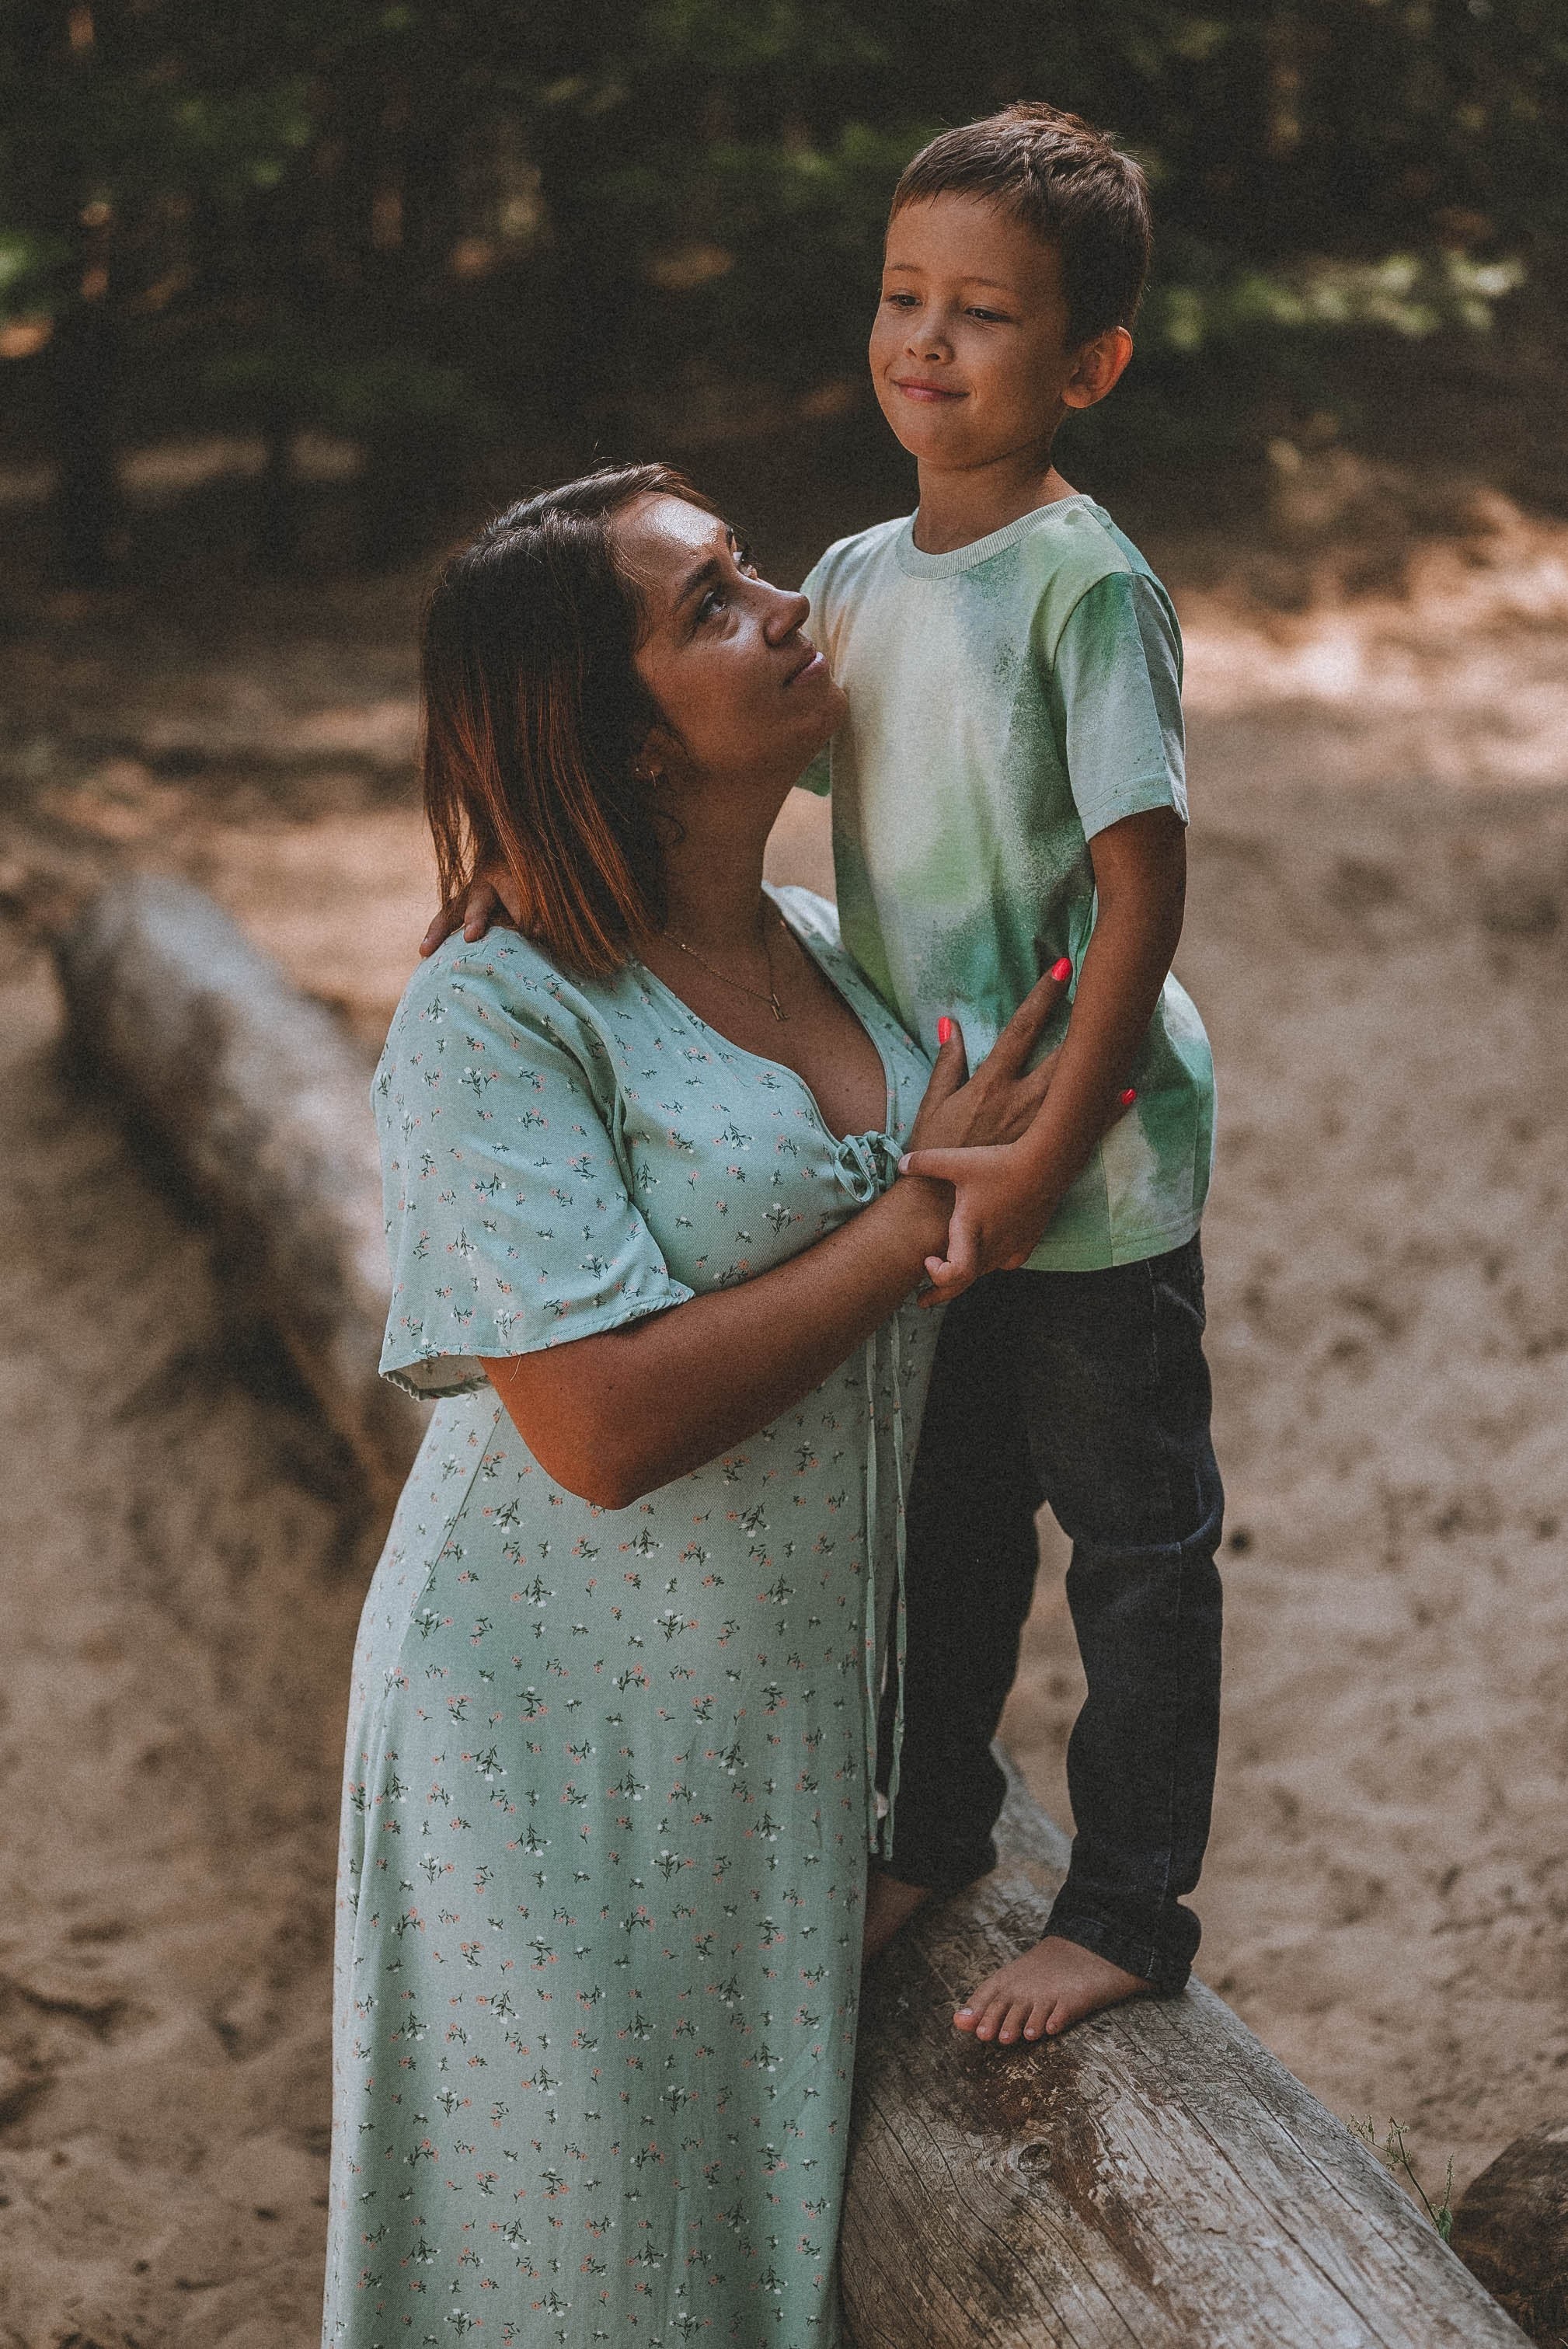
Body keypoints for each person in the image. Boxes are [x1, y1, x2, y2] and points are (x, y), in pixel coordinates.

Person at [437, 103, 1224, 2053]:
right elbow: (662, 750)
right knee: (948, 1526)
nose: (925, 346)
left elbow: (1148, 890)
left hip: (1082, 1155)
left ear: (1090, 366)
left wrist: (1044, 1155)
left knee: (1133, 1543)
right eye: (901, 299)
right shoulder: (860, 574)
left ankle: (1129, 1906)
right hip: (928, 1144)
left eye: (983, 317)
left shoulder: (1084, 587)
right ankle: (932, 1830)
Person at [325, 462, 1110, 2347]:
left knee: (738, 2266)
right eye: (709, 604)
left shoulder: (835, 950)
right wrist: (921, 1205)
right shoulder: (499, 1014)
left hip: (784, 1739)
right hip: (548, 1737)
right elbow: (591, 1428)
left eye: (749, 570)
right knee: (573, 2263)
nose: (780, 606)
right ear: (615, 736)